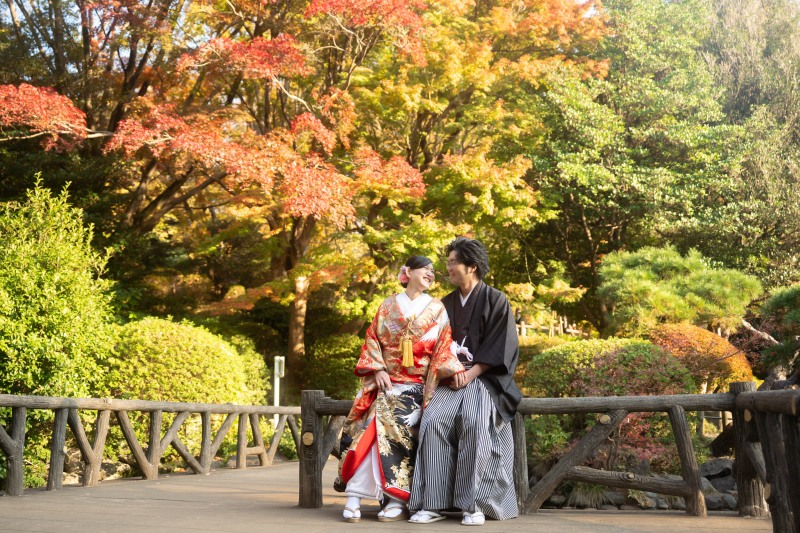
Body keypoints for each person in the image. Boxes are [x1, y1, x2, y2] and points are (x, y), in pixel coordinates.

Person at [337, 255, 464, 523]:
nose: (431, 274)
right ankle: (355, 494)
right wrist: (378, 369)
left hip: (417, 389)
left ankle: (395, 498)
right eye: (425, 270)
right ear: (408, 272)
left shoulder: (437, 308)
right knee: (368, 425)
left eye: (433, 271)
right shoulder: (387, 306)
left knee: (398, 425)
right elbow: (372, 339)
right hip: (384, 384)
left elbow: (443, 347)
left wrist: (452, 372)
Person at [408, 237, 522, 526]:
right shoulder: (443, 304)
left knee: (474, 421)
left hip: (484, 378)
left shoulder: (496, 300)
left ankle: (474, 504)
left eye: (453, 263)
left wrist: (470, 373)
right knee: (434, 420)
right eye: (448, 262)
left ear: (471, 266)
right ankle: (433, 503)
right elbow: (432, 344)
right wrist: (450, 369)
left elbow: (501, 347)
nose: (448, 268)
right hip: (449, 377)